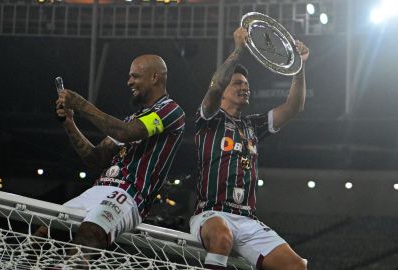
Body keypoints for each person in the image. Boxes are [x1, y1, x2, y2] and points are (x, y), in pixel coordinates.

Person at [36, 54, 185, 261]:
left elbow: (126, 133)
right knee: (43, 233)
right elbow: (95, 159)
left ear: (154, 77)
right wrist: (69, 122)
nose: (129, 82)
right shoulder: (132, 118)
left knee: (91, 233)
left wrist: (80, 104)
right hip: (98, 189)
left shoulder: (170, 111)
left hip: (130, 194)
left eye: (135, 76)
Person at [189, 27, 309, 270]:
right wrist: (238, 50)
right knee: (223, 238)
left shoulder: (252, 125)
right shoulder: (209, 119)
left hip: (247, 219)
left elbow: (293, 107)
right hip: (212, 214)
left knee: (297, 266)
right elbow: (215, 86)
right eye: (237, 84)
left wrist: (299, 67)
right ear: (223, 90)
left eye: (246, 84)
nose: (245, 87)